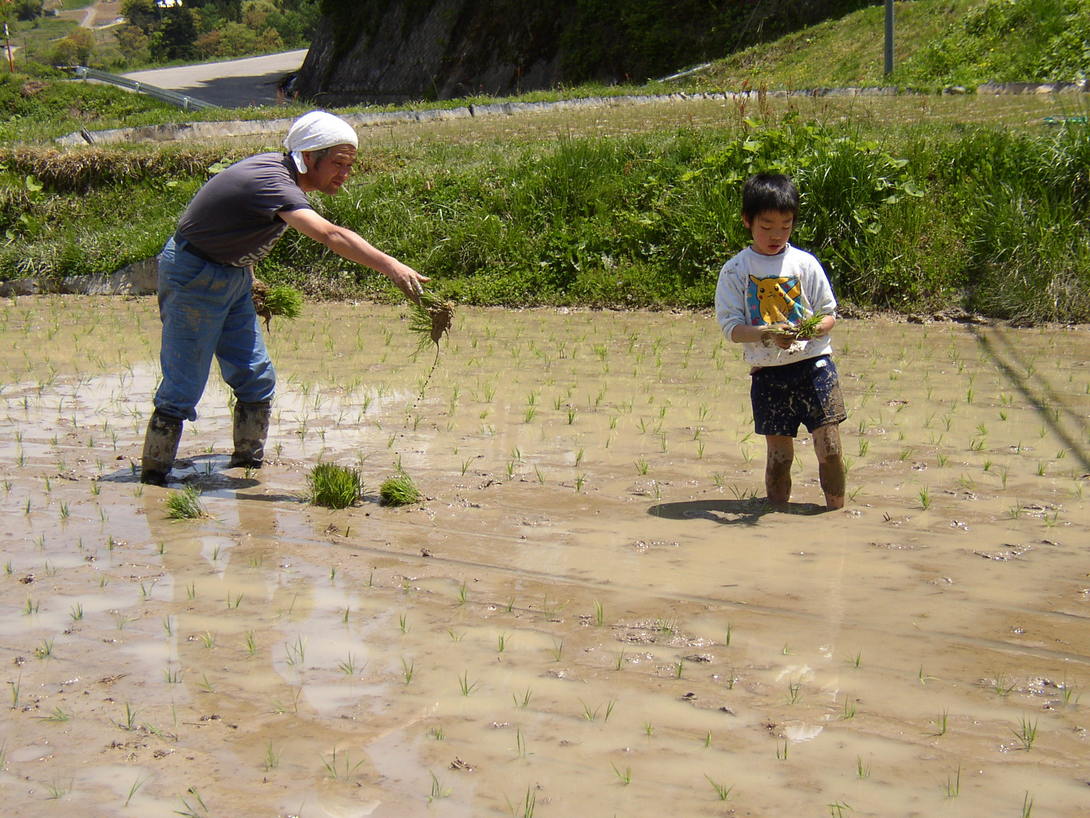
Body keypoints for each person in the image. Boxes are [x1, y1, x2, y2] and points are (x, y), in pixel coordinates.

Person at [140, 110, 428, 486]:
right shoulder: (272, 180)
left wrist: (249, 275)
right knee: (184, 385)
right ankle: (154, 480)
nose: (345, 173)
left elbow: (237, 225)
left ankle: (247, 465)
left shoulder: (283, 178)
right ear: (308, 157)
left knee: (255, 375)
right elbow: (330, 235)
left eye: (350, 164)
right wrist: (391, 266)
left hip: (233, 275)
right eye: (338, 163)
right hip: (195, 275)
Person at [714, 172, 847, 510]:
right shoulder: (735, 270)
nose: (776, 235)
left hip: (815, 366)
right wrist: (766, 333)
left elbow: (829, 316)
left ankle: (836, 512)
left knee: (830, 448)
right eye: (767, 226)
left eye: (785, 226)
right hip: (768, 373)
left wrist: (810, 329)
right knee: (779, 456)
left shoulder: (805, 263)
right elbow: (731, 329)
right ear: (747, 221)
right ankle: (775, 518)